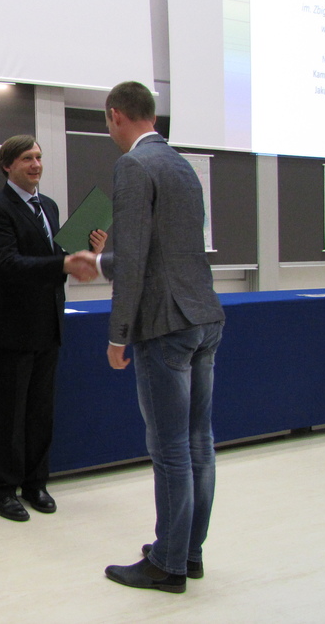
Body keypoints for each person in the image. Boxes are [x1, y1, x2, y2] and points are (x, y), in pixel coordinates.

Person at [99, 81, 225, 593]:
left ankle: (167, 565)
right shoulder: (182, 166)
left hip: (164, 323)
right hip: (204, 315)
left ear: (116, 116)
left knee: (170, 448)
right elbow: (167, 249)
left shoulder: (133, 166)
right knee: (199, 442)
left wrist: (118, 335)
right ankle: (187, 552)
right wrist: (104, 261)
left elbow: (133, 260)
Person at [0, 135, 104, 522]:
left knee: (40, 411)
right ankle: (3, 491)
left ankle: (36, 483)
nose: (36, 164)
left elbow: (54, 258)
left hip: (48, 323)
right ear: (7, 166)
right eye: (26, 159)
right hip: (11, 328)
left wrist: (87, 251)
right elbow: (7, 264)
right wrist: (62, 264)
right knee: (9, 415)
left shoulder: (47, 205)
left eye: (38, 157)